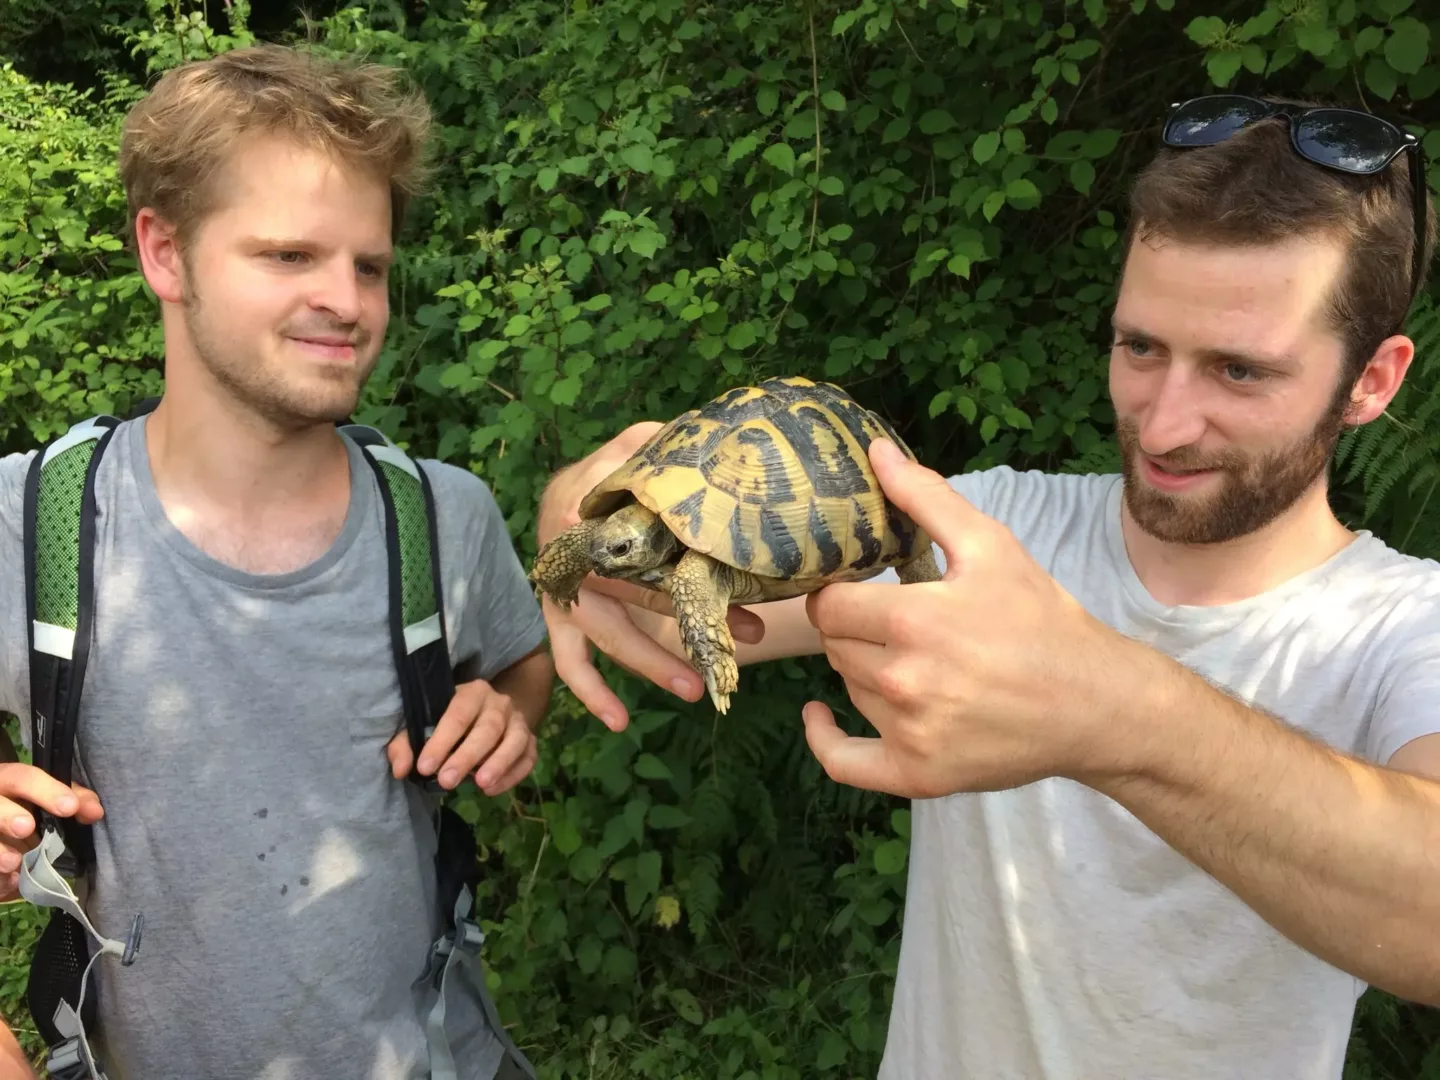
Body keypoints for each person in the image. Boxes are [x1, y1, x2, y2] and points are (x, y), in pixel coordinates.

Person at [534, 96, 1440, 1078]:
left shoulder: (1402, 627)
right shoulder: (982, 531)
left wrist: (1113, 712)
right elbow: (694, 616)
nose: (1166, 423)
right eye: (1140, 347)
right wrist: (582, 517)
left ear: (1373, 381)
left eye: (1240, 371)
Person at [0, 45, 552, 1079]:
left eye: (371, 264)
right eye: (290, 256)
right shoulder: (30, 527)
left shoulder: (446, 520)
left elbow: (523, 666)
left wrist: (507, 712)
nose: (347, 301)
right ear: (164, 253)